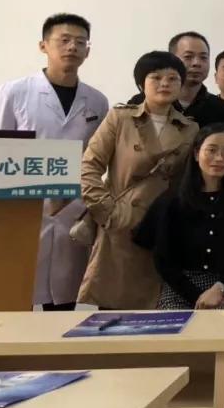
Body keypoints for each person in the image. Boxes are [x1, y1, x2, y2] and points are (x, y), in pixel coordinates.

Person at [0, 13, 109, 311]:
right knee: (14, 295)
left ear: (88, 51)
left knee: (65, 298)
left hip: (73, 210)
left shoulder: (97, 101)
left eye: (80, 42)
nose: (72, 47)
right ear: (43, 45)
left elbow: (97, 158)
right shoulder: (15, 92)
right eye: (64, 40)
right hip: (22, 208)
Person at [78, 52, 199, 309]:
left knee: (156, 311)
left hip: (161, 228)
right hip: (120, 225)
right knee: (113, 310)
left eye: (173, 78)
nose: (165, 83)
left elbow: (187, 180)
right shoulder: (120, 118)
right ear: (141, 84)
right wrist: (107, 211)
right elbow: (90, 165)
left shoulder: (190, 128)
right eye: (156, 77)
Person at [134, 124, 224, 309]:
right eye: (212, 150)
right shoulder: (173, 200)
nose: (219, 158)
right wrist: (197, 296)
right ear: (196, 153)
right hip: (180, 288)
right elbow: (163, 260)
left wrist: (221, 287)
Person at [129, 32, 224, 127]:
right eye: (188, 57)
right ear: (172, 59)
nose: (196, 63)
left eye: (203, 57)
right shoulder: (140, 102)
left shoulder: (221, 109)